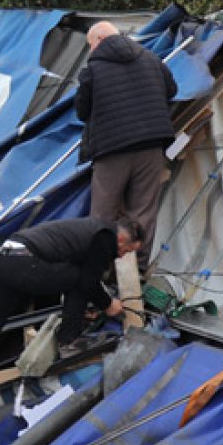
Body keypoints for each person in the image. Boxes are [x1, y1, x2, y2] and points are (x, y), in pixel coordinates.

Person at [0, 217, 140, 392]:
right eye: (127, 250)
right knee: (78, 281)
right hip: (23, 259)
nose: (123, 256)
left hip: (4, 255)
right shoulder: (104, 238)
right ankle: (68, 342)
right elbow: (88, 282)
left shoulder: (89, 228)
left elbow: (57, 277)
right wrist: (108, 304)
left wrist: (80, 310)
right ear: (121, 239)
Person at [75, 21, 177, 268]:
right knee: (143, 211)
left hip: (112, 149)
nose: (91, 51)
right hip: (152, 145)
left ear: (98, 40)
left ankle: (98, 268)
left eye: (90, 45)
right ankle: (137, 268)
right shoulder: (153, 59)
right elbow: (172, 90)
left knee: (103, 214)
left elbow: (81, 111)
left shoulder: (92, 69)